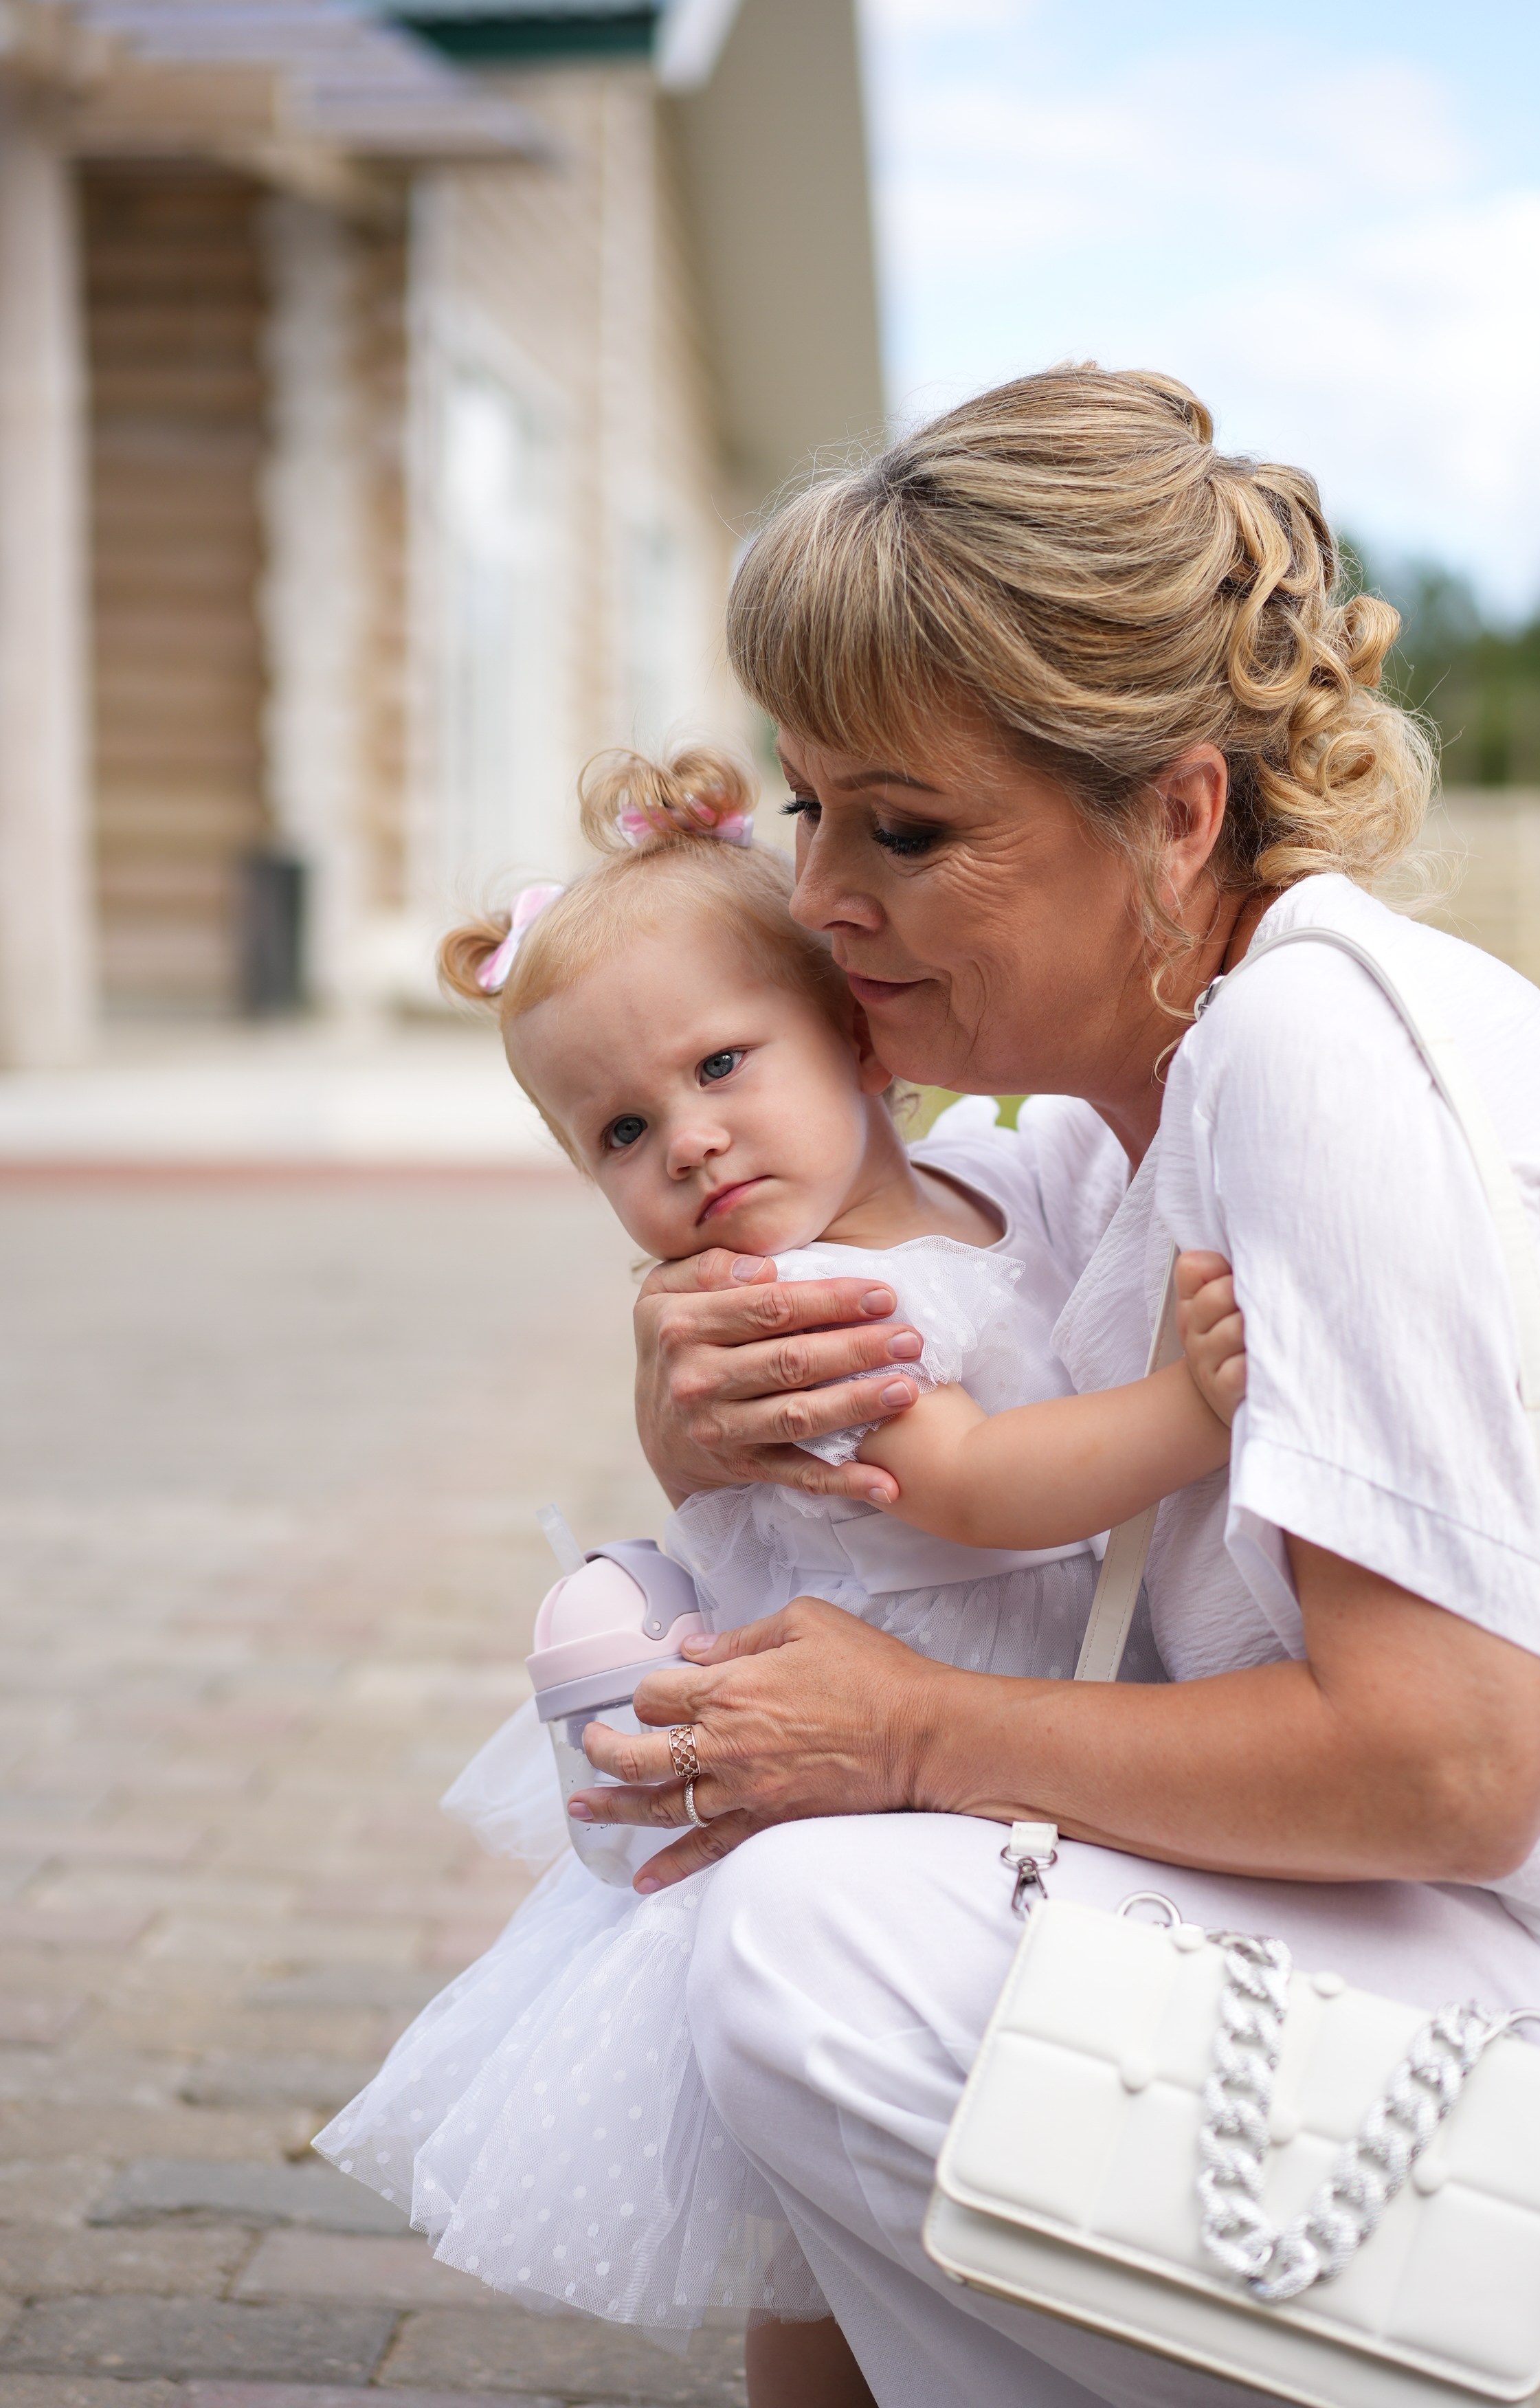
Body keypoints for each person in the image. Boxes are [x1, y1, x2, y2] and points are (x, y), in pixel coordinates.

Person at [569, 365, 1540, 2408]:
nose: (822, 896)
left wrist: (919, 1734)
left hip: (1531, 2097)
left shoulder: (1319, 1064)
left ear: (1178, 810)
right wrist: (695, 1403)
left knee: (800, 1941)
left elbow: (1458, 1774)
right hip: (1438, 1994)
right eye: (813, 808)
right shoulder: (1090, 1131)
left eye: (911, 827)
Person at [311, 742, 1242, 2405]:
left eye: (723, 1064)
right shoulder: (799, 1303)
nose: (689, 1145)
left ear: (854, 1030)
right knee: (820, 2256)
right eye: (619, 1128)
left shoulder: (983, 1191)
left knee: (934, 2206)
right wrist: (1182, 1409)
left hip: (975, 1765)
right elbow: (976, 1494)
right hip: (860, 1806)